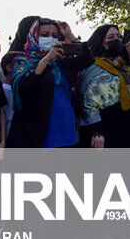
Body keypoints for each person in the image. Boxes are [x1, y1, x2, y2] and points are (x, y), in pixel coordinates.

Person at [7, 19, 86, 149]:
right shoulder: (23, 61)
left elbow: (87, 59)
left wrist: (70, 36)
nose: (50, 39)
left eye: (54, 36)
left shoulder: (62, 62)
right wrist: (46, 60)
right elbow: (23, 86)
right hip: (37, 126)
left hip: (64, 125)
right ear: (34, 36)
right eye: (44, 35)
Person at [78, 25, 130, 149]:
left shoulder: (123, 64)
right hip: (105, 130)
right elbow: (87, 102)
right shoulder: (94, 66)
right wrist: (96, 131)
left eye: (119, 36)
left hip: (128, 128)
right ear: (101, 42)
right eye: (111, 37)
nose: (116, 40)